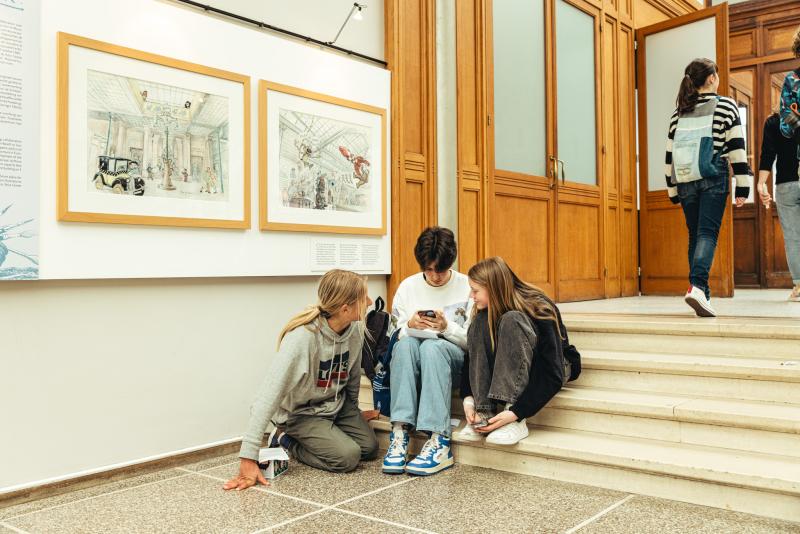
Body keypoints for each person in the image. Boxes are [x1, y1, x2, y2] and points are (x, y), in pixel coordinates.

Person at [223, 270, 377, 491]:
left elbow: (352, 379)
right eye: (365, 299)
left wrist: (354, 413)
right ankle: (285, 438)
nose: (370, 302)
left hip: (337, 407)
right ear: (345, 308)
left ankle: (327, 435)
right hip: (302, 413)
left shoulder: (354, 331)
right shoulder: (303, 338)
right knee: (347, 458)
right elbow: (267, 397)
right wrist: (248, 457)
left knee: (369, 448)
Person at [665, 58, 752, 317]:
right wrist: (743, 188)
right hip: (713, 177)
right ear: (712, 78)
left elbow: (669, 154)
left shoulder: (678, 112)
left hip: (685, 180)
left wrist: (672, 190)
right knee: (707, 234)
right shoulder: (725, 105)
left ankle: (700, 292)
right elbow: (737, 147)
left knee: (695, 234)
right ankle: (699, 287)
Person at [382, 227, 471, 476]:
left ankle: (439, 439)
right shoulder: (407, 287)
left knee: (433, 346)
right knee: (406, 344)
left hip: (452, 362)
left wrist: (447, 327)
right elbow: (393, 337)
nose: (435, 276)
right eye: (428, 270)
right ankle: (400, 432)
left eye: (440, 270)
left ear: (450, 262)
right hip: (414, 359)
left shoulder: (466, 286)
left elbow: (474, 342)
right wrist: (409, 326)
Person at [456, 257, 568, 446]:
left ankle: (515, 421)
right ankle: (484, 412)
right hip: (515, 365)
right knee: (477, 324)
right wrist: (469, 401)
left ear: (493, 288)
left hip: (553, 366)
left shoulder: (538, 306)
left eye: (475, 291)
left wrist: (517, 411)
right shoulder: (484, 312)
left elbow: (552, 371)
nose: (471, 296)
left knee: (512, 319)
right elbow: (472, 357)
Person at [757, 112, 800, 301]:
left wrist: (760, 183)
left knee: (793, 239)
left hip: (786, 184)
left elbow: (768, 154)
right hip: (787, 185)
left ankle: (799, 286)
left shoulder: (774, 121)